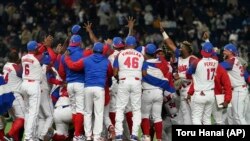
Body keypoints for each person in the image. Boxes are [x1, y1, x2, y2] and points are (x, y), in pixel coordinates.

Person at [64, 42, 113, 141]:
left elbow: (73, 66)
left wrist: (67, 58)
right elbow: (110, 73)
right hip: (100, 88)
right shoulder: (106, 61)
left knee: (87, 112)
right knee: (99, 113)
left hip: (87, 88)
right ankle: (97, 136)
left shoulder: (86, 59)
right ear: (102, 51)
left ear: (93, 50)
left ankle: (88, 135)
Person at [160, 25, 197, 125]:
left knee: (195, 115)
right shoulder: (180, 57)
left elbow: (195, 76)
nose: (179, 48)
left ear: (188, 50)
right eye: (180, 46)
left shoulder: (193, 59)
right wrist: (163, 32)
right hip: (182, 91)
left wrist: (181, 77)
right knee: (185, 116)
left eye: (182, 47)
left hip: (192, 91)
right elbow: (170, 44)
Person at [113, 36, 146, 141]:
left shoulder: (119, 54)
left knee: (120, 108)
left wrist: (120, 77)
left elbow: (114, 73)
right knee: (136, 109)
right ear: (135, 45)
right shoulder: (141, 55)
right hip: (136, 81)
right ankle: (135, 135)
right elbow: (144, 73)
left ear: (126, 44)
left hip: (123, 80)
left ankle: (118, 134)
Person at [59, 34, 85, 140]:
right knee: (80, 110)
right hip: (80, 83)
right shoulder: (83, 53)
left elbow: (61, 73)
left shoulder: (64, 55)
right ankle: (77, 135)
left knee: (74, 110)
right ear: (79, 42)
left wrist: (68, 78)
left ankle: (77, 134)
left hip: (69, 84)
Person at [186, 42, 218, 125]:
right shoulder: (215, 62)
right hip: (211, 93)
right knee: (207, 119)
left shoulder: (197, 62)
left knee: (196, 118)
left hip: (200, 93)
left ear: (202, 51)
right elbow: (214, 55)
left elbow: (188, 73)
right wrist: (213, 51)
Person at [220, 43, 249, 124]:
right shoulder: (236, 60)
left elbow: (217, 66)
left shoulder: (231, 61)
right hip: (241, 90)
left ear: (230, 52)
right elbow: (247, 77)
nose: (223, 52)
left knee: (238, 117)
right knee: (238, 116)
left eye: (225, 50)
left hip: (238, 91)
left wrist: (212, 55)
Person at [21, 40, 44, 140]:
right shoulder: (37, 58)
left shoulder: (23, 57)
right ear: (35, 49)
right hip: (33, 85)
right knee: (33, 113)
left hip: (24, 84)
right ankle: (28, 137)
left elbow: (37, 54)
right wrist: (44, 46)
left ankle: (31, 136)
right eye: (37, 47)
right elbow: (44, 57)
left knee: (27, 112)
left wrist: (42, 46)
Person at [3, 51, 25, 141]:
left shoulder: (6, 65)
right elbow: (25, 74)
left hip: (7, 95)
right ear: (17, 59)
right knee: (23, 118)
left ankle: (14, 139)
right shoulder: (16, 67)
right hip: (15, 95)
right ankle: (9, 135)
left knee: (16, 120)